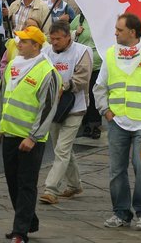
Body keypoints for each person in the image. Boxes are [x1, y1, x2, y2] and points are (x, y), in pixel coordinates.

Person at [93, 13, 141, 230]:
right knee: (116, 170)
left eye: (119, 29)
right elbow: (99, 87)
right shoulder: (110, 54)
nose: (115, 33)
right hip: (118, 123)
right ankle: (121, 213)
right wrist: (105, 111)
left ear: (132, 32)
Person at [0, 26, 59, 243]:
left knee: (26, 183)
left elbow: (47, 107)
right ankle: (29, 220)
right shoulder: (13, 64)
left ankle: (20, 231)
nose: (18, 44)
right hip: (10, 133)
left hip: (30, 139)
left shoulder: (47, 71)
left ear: (36, 46)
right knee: (13, 182)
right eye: (19, 40)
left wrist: (33, 136)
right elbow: (3, 96)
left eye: (24, 41)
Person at [39, 22, 91, 206]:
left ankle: (50, 189)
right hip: (54, 108)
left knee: (62, 149)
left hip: (75, 107)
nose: (54, 42)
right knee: (62, 148)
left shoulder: (82, 51)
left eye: (58, 39)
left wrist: (65, 86)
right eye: (51, 39)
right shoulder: (46, 52)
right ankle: (75, 184)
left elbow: (83, 78)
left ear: (68, 36)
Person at [72, 12, 103, 140]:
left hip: (98, 64)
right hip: (82, 63)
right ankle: (85, 124)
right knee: (83, 93)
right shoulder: (80, 19)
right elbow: (67, 33)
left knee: (94, 94)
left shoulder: (102, 19)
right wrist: (76, 32)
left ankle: (95, 125)